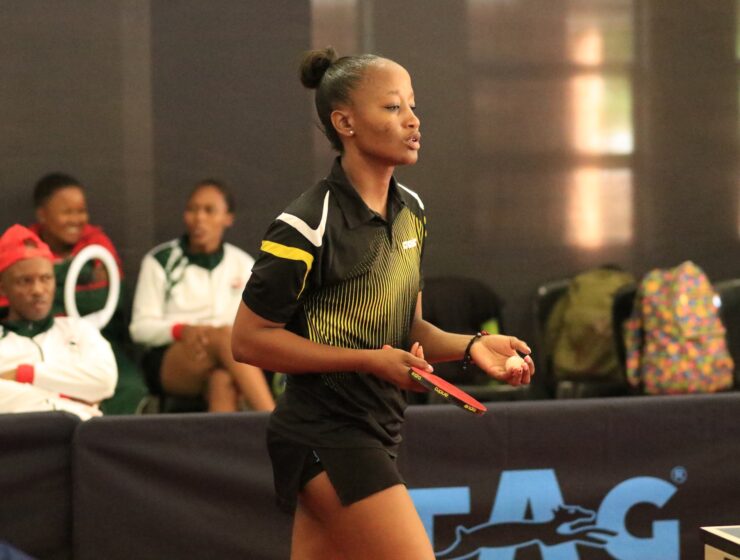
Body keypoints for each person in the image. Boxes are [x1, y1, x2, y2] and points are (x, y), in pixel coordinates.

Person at [231, 48, 535, 559]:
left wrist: (473, 346)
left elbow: (410, 329)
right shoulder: (306, 224)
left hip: (378, 430)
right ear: (345, 122)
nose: (413, 120)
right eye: (393, 107)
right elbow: (248, 341)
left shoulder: (411, 211)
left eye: (412, 105)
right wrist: (369, 361)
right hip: (323, 433)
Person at [129, 179, 275, 412]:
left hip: (229, 358)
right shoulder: (160, 261)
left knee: (222, 380)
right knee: (224, 337)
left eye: (209, 210)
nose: (199, 218)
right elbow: (140, 328)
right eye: (192, 210)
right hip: (175, 354)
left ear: (228, 218)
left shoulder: (243, 264)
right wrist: (182, 330)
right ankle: (273, 420)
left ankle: (230, 439)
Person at [0, 224, 117, 421]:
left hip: (80, 435)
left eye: (46, 278)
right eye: (25, 281)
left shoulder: (78, 329)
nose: (38, 290)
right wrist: (68, 399)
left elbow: (105, 382)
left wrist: (25, 374)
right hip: (18, 437)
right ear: (3, 288)